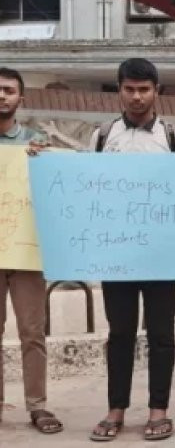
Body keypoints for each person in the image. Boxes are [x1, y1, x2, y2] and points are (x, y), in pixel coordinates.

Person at [81, 58, 175, 442]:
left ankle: (158, 411)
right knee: (120, 334)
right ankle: (115, 409)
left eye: (144, 89)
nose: (136, 97)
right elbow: (87, 188)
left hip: (161, 254)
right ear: (120, 90)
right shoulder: (102, 137)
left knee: (162, 335)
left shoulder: (174, 140)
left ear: (156, 92)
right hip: (118, 254)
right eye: (129, 89)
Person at [0, 68, 63, 435]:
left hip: (25, 252)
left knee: (32, 332)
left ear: (20, 99)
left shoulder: (36, 143)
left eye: (8, 90)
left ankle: (37, 406)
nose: (2, 96)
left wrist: (46, 163)